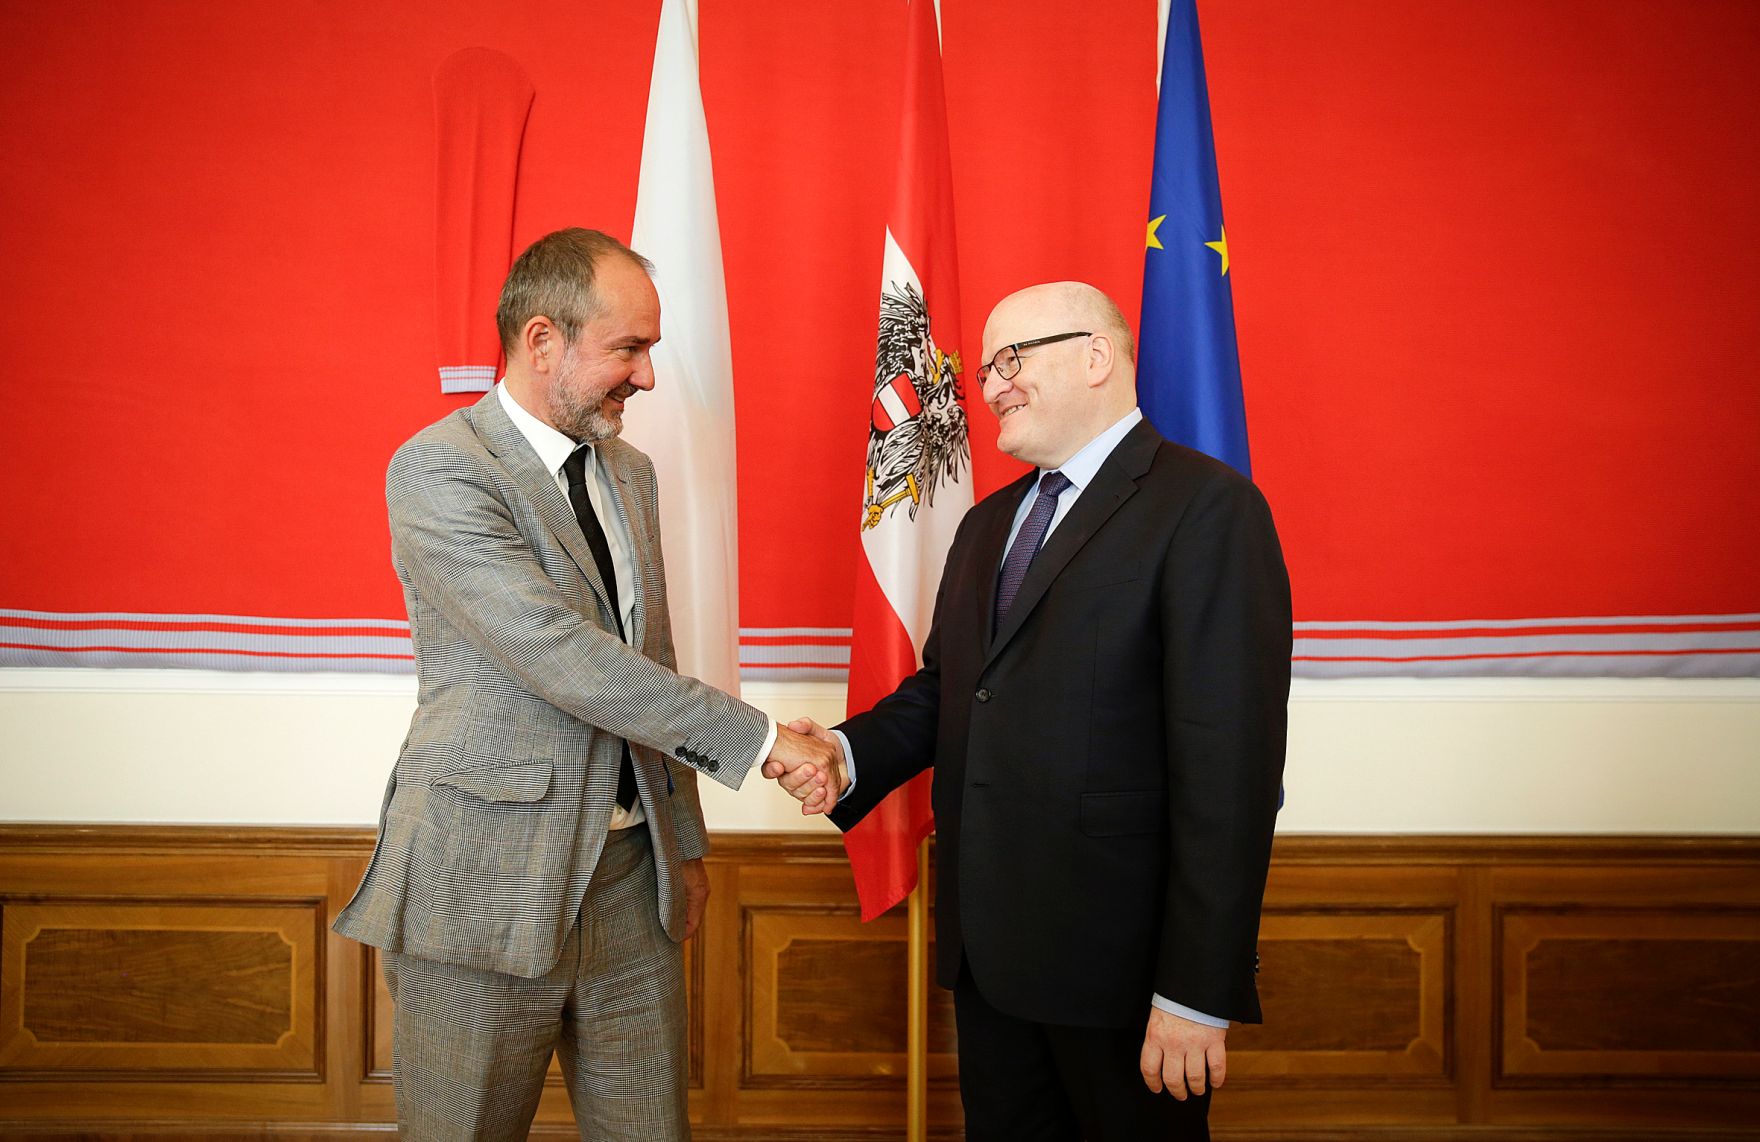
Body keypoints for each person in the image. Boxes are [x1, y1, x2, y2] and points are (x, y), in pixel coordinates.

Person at [335, 227, 841, 1141]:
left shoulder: (630, 473)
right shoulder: (441, 467)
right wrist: (765, 743)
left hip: (633, 885)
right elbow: (560, 655)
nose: (646, 376)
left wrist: (683, 843)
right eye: (628, 349)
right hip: (483, 878)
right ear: (542, 342)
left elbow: (651, 659)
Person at [774, 281, 1291, 1140]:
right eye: (985, 369)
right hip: (991, 963)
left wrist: (1197, 991)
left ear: (1097, 356)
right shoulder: (988, 525)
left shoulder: (1207, 509)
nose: (991, 385)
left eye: (1011, 359)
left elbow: (1229, 769)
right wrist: (845, 752)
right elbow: (949, 691)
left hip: (1126, 978)